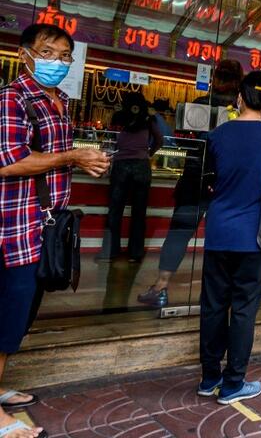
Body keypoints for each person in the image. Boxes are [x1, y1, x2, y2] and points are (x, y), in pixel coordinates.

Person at [0, 23, 109, 438]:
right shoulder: (13, 98)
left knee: (23, 312)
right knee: (9, 310)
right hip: (13, 224)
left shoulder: (60, 100)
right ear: (25, 53)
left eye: (64, 56)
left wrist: (87, 160)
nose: (58, 62)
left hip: (45, 224)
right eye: (48, 52)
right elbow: (10, 160)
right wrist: (72, 156)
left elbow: (57, 159)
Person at [197, 71, 261, 405]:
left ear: (239, 97)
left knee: (212, 307)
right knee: (243, 311)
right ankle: (233, 383)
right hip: (256, 238)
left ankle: (209, 378)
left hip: (219, 233)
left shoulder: (217, 135)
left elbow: (206, 182)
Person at [138, 59, 243, 307]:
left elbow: (182, 141)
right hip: (227, 182)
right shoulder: (239, 113)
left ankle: (161, 287)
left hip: (195, 178)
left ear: (215, 78)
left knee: (179, 234)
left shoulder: (198, 105)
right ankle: (222, 294)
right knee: (226, 238)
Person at [100, 91, 163, 262]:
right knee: (139, 212)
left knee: (115, 211)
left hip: (121, 165)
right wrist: (148, 153)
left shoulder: (119, 118)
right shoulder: (148, 119)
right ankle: (135, 253)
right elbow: (160, 140)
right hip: (141, 167)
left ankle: (110, 252)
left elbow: (108, 140)